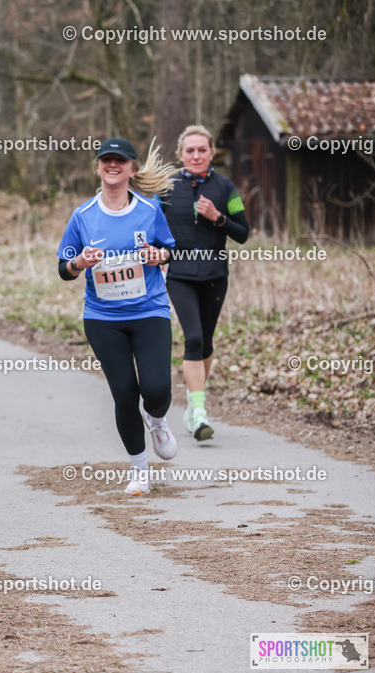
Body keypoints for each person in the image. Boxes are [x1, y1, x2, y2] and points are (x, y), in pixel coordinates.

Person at [57, 137, 179, 495]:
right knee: (124, 392)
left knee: (156, 389)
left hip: (149, 310)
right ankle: (140, 471)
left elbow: (170, 250)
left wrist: (158, 256)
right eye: (106, 159)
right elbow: (64, 268)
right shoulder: (83, 216)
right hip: (103, 318)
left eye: (120, 160)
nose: (113, 165)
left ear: (132, 169)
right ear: (97, 167)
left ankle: (156, 419)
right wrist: (79, 262)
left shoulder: (150, 209)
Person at [162, 125, 250, 441]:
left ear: (212, 153)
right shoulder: (166, 187)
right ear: (181, 154)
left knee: (207, 343)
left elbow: (243, 233)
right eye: (190, 150)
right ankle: (199, 413)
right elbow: (152, 225)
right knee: (194, 338)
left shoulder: (226, 187)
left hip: (215, 276)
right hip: (180, 275)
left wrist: (218, 217)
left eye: (202, 150)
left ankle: (192, 401)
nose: (196, 155)